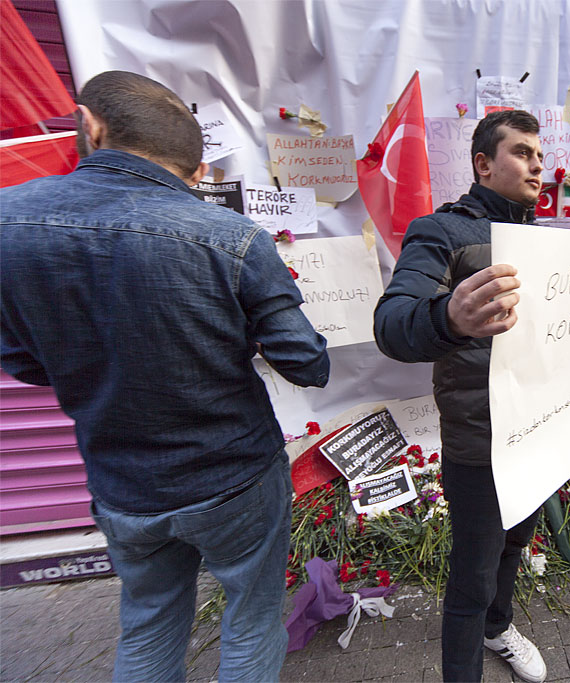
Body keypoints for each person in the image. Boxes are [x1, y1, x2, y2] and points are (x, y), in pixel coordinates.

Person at [1, 71, 329, 682]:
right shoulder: (234, 238)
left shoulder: (8, 221)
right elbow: (308, 362)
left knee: (149, 621)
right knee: (252, 620)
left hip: (123, 482)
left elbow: (19, 358)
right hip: (235, 476)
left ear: (89, 126)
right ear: (198, 171)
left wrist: (96, 361)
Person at [374, 109, 570, 682]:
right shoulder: (441, 232)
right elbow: (392, 326)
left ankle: (498, 627)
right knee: (471, 576)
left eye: (540, 155)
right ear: (483, 164)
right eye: (521, 152)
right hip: (482, 443)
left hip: (544, 434)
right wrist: (449, 316)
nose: (537, 165)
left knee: (514, 546)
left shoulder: (547, 244)